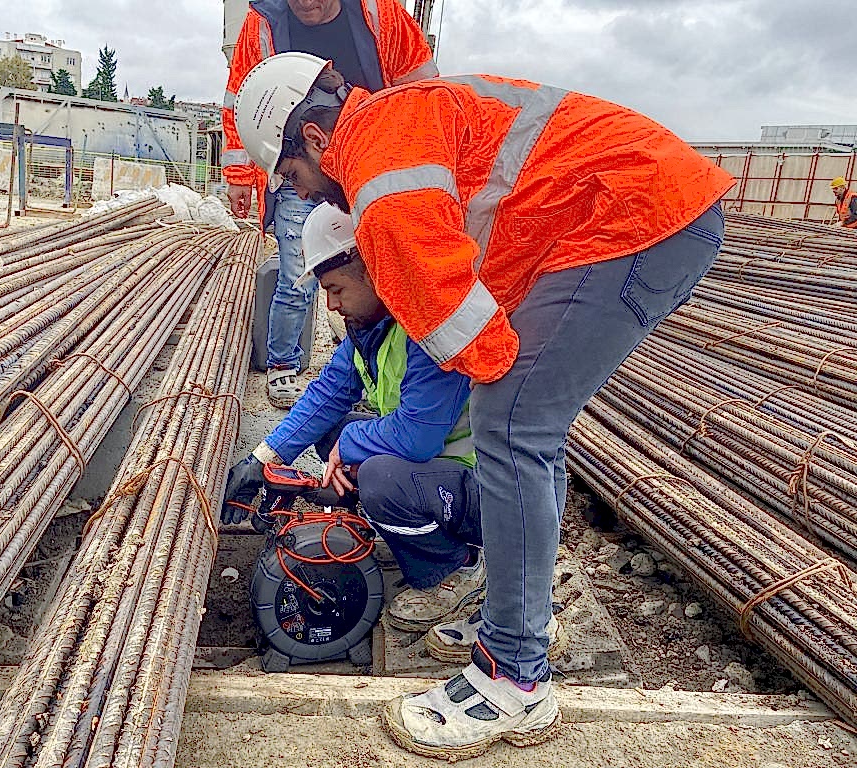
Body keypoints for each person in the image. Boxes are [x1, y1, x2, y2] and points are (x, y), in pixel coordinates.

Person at [233, 53, 735, 760]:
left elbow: (480, 350)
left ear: (315, 140)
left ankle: (515, 676)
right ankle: (515, 621)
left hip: (637, 215)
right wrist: (271, 454)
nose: (309, 197)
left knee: (513, 423)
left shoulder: (379, 177)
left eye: (292, 177)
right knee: (516, 422)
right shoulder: (394, 129)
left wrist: (472, 384)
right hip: (627, 210)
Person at [221, 202, 486, 632]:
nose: (330, 304)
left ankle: (459, 570)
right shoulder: (373, 326)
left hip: (483, 490)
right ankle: (388, 528)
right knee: (334, 434)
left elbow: (418, 437)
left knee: (379, 477)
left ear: (374, 268)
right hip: (439, 472)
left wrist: (351, 447)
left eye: (337, 288)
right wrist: (263, 458)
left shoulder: (428, 326)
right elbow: (326, 395)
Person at [221, 0, 437, 408]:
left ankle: (382, 375)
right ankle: (284, 365)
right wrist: (239, 175)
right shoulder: (264, 22)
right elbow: (238, 102)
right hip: (299, 162)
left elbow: (420, 85)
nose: (305, 3)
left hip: (373, 163)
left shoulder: (379, 12)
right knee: (297, 275)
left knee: (381, 272)